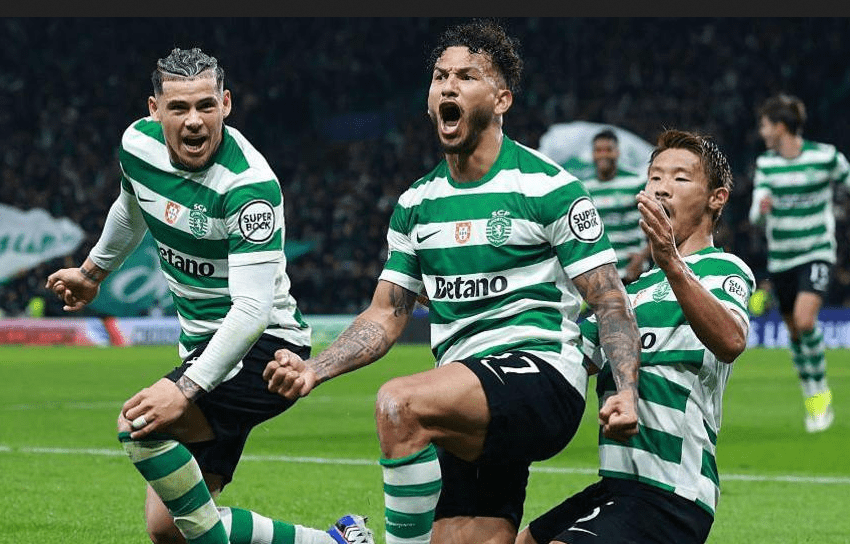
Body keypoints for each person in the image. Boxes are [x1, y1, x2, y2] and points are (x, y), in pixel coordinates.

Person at [263, 19, 641, 544]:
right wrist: (313, 369)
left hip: (541, 377)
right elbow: (386, 314)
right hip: (466, 393)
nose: (448, 86)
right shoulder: (417, 205)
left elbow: (610, 301)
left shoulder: (549, 189)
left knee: (399, 403)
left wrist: (626, 391)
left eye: (466, 76)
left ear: (501, 100)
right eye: (440, 76)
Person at [45, 47, 373, 544]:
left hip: (265, 349)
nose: (194, 121)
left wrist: (185, 388)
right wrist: (93, 272)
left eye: (206, 105)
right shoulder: (137, 146)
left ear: (226, 104)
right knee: (170, 529)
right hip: (204, 346)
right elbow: (130, 208)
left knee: (138, 424)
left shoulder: (249, 187)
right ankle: (335, 542)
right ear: (154, 110)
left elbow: (252, 310)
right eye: (178, 108)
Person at [517, 129, 755, 544]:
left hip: (672, 493)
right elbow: (564, 356)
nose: (662, 187)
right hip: (617, 486)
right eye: (655, 176)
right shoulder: (626, 296)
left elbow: (731, 341)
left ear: (717, 198)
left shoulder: (723, 270)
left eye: (680, 177)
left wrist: (671, 263)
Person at [748, 93, 850, 433]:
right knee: (794, 332)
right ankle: (811, 394)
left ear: (780, 126)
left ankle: (820, 395)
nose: (762, 132)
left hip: (816, 251)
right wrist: (761, 210)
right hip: (781, 259)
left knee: (805, 322)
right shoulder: (767, 164)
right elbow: (756, 212)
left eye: (765, 125)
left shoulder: (825, 157)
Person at [582, 129, 650, 284]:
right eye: (598, 150)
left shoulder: (637, 182)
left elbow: (660, 223)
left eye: (608, 150)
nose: (603, 155)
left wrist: (643, 256)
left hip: (634, 272)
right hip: (602, 276)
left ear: (617, 152)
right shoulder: (585, 188)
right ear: (593, 154)